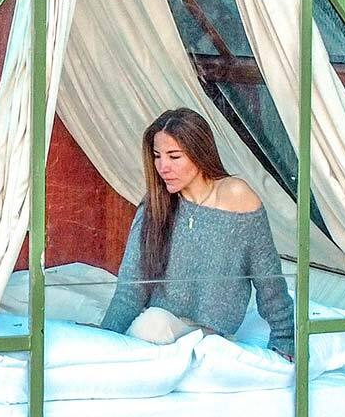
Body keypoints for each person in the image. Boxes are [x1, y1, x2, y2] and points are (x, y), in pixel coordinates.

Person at [101, 107, 294, 356]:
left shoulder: (237, 196)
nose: (162, 167)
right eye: (157, 156)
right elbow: (131, 290)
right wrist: (105, 340)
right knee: (152, 323)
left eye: (174, 156)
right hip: (154, 336)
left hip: (210, 343)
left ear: (199, 153)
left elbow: (270, 284)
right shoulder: (154, 206)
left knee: (154, 323)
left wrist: (285, 340)